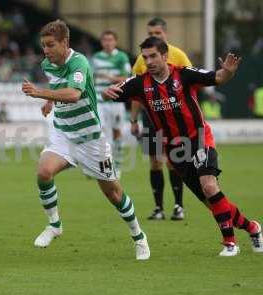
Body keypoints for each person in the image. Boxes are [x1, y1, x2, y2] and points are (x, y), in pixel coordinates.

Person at [103, 36, 263, 256]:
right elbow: (113, 91)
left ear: (165, 55)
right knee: (212, 202)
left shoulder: (185, 75)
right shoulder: (140, 83)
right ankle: (252, 227)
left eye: (153, 56)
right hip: (174, 151)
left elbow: (218, 76)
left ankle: (230, 243)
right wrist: (107, 91)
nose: (149, 62)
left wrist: (228, 71)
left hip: (198, 139)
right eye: (145, 57)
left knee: (209, 185)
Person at [21, 20, 150, 260]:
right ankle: (54, 225)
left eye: (50, 45)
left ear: (64, 43)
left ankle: (139, 236)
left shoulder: (79, 62)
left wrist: (39, 93)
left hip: (90, 138)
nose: (46, 50)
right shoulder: (47, 63)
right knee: (44, 172)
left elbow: (73, 94)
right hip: (64, 133)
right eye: (43, 46)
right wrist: (50, 101)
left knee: (113, 194)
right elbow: (58, 87)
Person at [131, 17, 192, 221]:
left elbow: (191, 86)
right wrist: (133, 120)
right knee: (155, 162)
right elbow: (136, 93)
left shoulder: (179, 56)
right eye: (150, 34)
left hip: (175, 120)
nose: (154, 37)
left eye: (157, 33)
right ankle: (158, 208)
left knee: (174, 162)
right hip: (151, 119)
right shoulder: (142, 60)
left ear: (165, 33)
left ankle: (178, 206)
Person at [91, 30, 131, 178]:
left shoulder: (121, 57)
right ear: (102, 42)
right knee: (100, 133)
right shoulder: (95, 58)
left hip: (115, 100)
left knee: (116, 133)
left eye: (110, 40)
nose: (108, 42)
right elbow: (90, 77)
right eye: (105, 40)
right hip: (100, 100)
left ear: (115, 41)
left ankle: (118, 165)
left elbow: (126, 78)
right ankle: (103, 166)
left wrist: (109, 76)